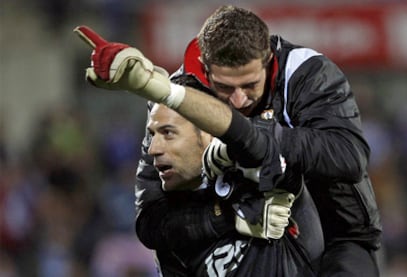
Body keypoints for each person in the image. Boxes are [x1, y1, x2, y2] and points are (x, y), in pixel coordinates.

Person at [74, 5, 382, 276]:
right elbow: (151, 222)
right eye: (224, 87)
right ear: (205, 71)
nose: (238, 100)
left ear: (269, 61)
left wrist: (247, 137)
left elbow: (349, 156)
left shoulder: (304, 72)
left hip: (336, 237)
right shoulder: (179, 98)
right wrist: (227, 217)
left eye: (250, 85)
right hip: (240, 234)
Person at [141, 102, 323, 276]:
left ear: (209, 133)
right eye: (152, 135)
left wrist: (242, 152)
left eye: (168, 133)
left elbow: (286, 170)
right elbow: (152, 227)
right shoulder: (172, 229)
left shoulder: (273, 188)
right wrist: (231, 216)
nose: (153, 149)